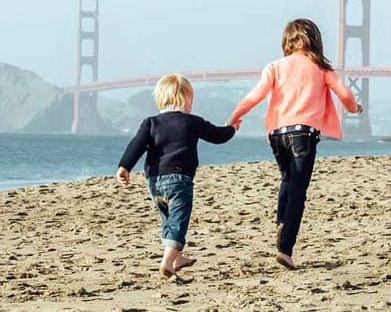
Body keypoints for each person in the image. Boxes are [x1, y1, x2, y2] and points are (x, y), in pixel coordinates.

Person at [227, 18, 362, 270]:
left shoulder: (275, 67)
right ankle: (285, 249)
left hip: (277, 135)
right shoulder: (321, 68)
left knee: (288, 179)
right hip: (304, 135)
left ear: (287, 43)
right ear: (315, 41)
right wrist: (355, 108)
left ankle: (281, 221)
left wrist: (234, 116)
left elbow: (255, 95)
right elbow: (346, 95)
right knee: (298, 190)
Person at [116, 73, 239, 280]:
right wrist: (232, 128)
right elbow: (218, 136)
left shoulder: (150, 122)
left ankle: (177, 258)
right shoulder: (192, 122)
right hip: (180, 180)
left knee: (168, 221)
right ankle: (167, 264)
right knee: (179, 222)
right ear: (186, 99)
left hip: (154, 182)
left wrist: (124, 167)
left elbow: (136, 146)